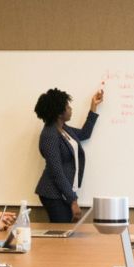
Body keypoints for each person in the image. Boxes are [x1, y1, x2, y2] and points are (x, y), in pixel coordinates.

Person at [33, 86, 103, 222]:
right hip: (53, 193)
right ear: (59, 113)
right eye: (68, 107)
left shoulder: (63, 129)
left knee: (66, 233)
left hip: (64, 192)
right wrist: (73, 201)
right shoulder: (49, 135)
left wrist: (93, 107)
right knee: (62, 234)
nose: (71, 109)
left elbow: (84, 133)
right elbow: (57, 171)